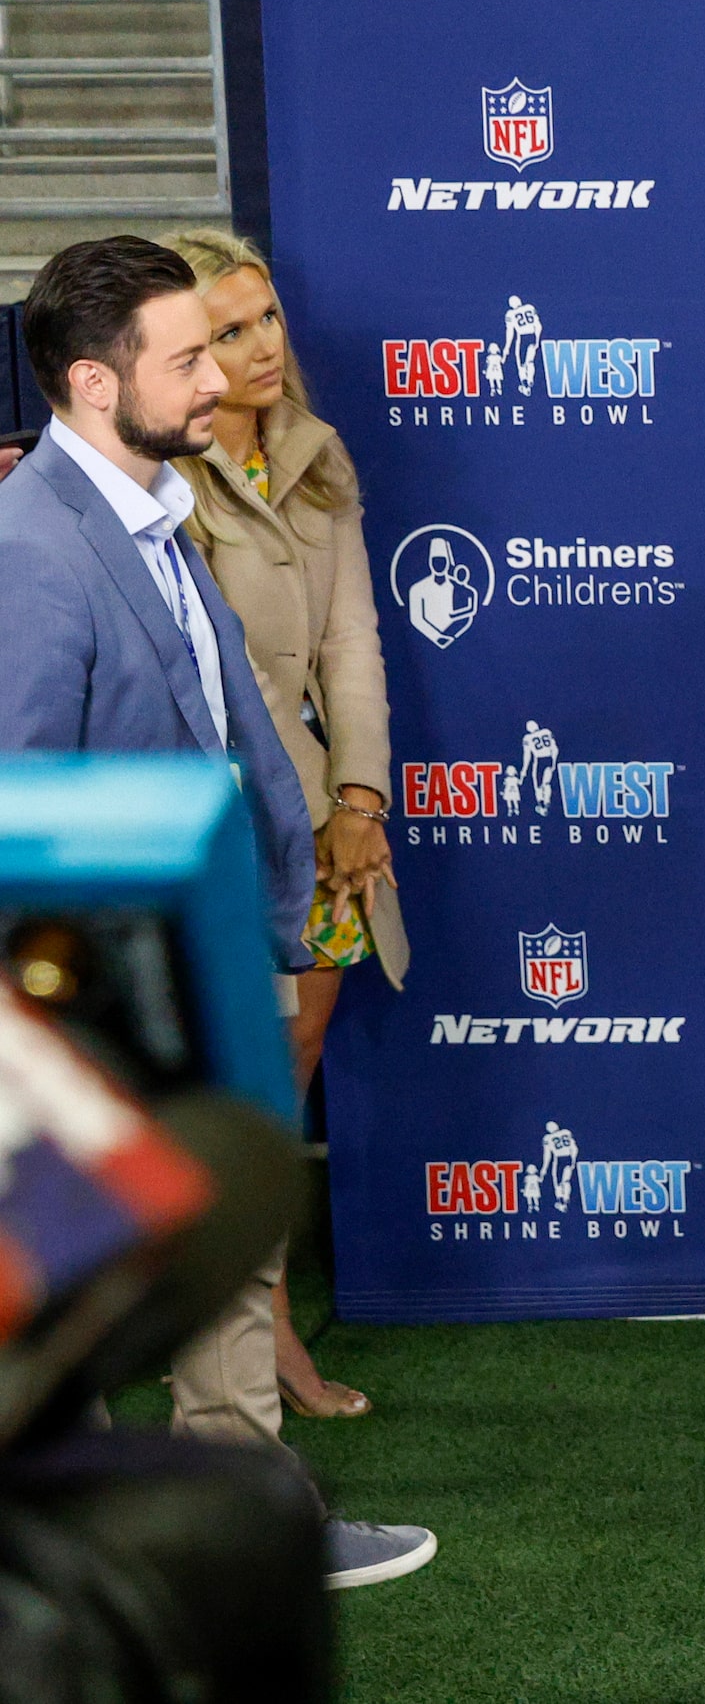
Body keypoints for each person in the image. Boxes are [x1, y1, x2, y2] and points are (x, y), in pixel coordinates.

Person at [0, 235, 432, 1589]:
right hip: (96, 989)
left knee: (232, 1253)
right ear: (89, 381)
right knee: (82, 1280)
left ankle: (249, 1527)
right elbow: (20, 802)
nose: (219, 379)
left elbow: (228, 729)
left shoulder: (152, 504)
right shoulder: (34, 549)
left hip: (208, 949)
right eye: (185, 358)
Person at [164, 227, 411, 1423]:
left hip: (328, 827)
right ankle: (236, 1349)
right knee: (234, 1100)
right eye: (226, 332)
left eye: (264, 319)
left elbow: (353, 645)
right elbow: (207, 682)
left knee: (292, 1071)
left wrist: (359, 800)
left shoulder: (315, 452)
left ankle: (252, 1323)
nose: (260, 348)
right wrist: (311, 809)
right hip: (226, 828)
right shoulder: (164, 468)